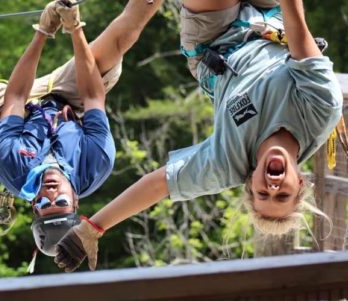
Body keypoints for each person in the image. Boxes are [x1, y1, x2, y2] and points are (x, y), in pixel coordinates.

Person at [54, 0, 343, 272]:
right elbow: (298, 30)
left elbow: (158, 185)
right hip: (275, 22)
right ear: (301, 181)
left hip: (215, 39)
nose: (272, 185)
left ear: (250, 182)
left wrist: (92, 228)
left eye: (263, 193)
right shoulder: (321, 111)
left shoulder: (224, 164)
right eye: (283, 194)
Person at [0, 0, 163, 256]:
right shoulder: (97, 163)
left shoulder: (11, 167)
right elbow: (93, 97)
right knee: (123, 38)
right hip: (73, 100)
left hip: (13, 111)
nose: (50, 193)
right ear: (76, 201)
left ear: (34, 205)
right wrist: (75, 28)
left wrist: (43, 31)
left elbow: (14, 98)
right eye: (60, 202)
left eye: (45, 204)